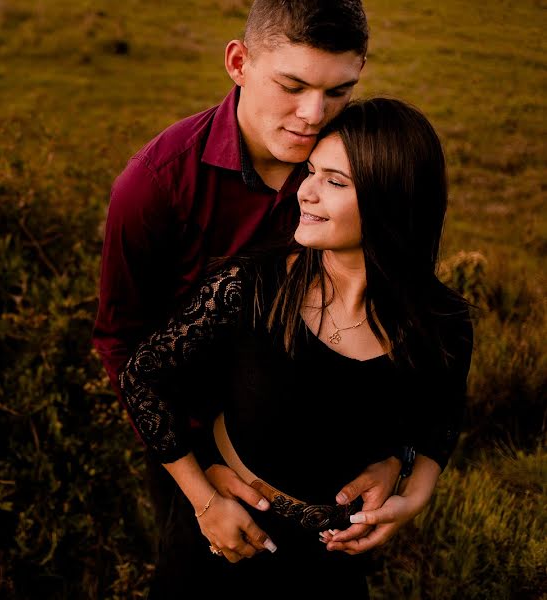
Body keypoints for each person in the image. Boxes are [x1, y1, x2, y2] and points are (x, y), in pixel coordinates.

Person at [93, 1, 414, 596]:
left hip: (322, 463)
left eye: (339, 92)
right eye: (292, 86)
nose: (313, 116)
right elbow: (122, 344)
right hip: (189, 452)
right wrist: (199, 485)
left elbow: (394, 307)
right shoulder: (156, 185)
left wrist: (398, 458)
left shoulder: (348, 167)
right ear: (239, 62)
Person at [117, 97, 474, 597]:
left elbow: (440, 413)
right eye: (311, 171)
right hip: (225, 541)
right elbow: (141, 375)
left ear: (391, 201)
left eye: (334, 181)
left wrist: (413, 488)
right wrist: (203, 501)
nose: (305, 192)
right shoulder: (252, 285)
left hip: (331, 561)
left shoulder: (443, 323)